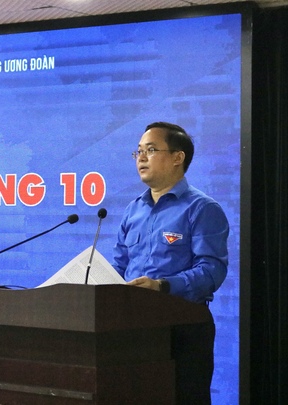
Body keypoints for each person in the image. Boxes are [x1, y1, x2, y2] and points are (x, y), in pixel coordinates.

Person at [111, 122, 229, 405]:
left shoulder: (202, 208)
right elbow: (119, 265)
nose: (141, 157)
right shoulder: (133, 210)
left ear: (178, 157)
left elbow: (212, 271)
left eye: (151, 150)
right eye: (138, 151)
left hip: (182, 328)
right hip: (131, 328)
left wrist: (162, 286)